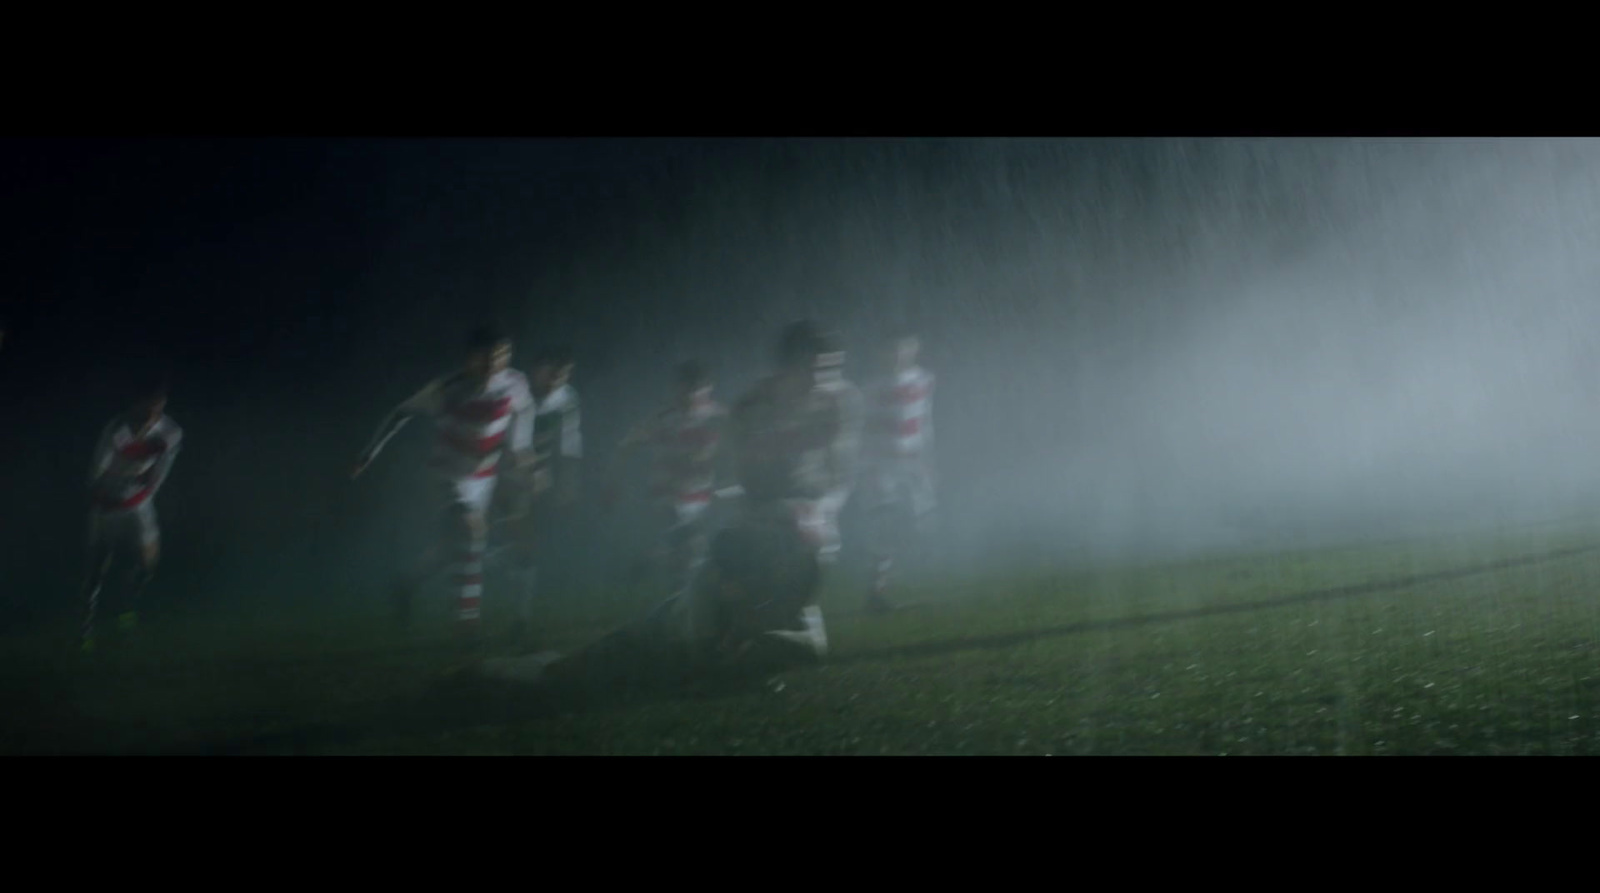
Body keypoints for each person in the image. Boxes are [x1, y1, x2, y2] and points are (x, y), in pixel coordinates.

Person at [352, 322, 535, 640]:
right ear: (470, 358)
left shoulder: (515, 384)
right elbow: (400, 413)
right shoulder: (447, 389)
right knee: (472, 532)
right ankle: (466, 624)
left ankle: (405, 585)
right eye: (486, 356)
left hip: (484, 479)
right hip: (446, 477)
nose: (494, 362)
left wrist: (522, 452)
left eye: (502, 355)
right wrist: (369, 453)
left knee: (455, 548)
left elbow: (525, 411)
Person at [607, 360, 728, 598]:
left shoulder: (720, 417)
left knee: (690, 551)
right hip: (668, 494)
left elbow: (734, 447)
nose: (690, 395)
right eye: (685, 389)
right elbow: (626, 446)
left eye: (696, 389)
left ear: (708, 388)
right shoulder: (663, 419)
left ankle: (652, 562)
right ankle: (678, 597)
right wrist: (612, 481)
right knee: (688, 545)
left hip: (703, 495)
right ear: (677, 389)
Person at [81, 381, 182, 652]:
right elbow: (96, 478)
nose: (152, 414)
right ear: (134, 404)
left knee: (148, 563)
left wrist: (141, 484)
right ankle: (86, 629)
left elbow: (156, 477)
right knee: (98, 567)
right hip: (106, 507)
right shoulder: (116, 431)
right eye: (147, 406)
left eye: (158, 406)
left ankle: (125, 606)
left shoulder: (170, 433)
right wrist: (113, 491)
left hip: (139, 505)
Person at [501, 346, 582, 634]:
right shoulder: (514, 392)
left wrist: (568, 483)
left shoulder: (567, 399)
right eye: (551, 374)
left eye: (562, 376)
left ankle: (520, 619)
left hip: (533, 478)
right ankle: (519, 618)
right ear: (536, 370)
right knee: (522, 546)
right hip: (499, 474)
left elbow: (570, 444)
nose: (555, 382)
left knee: (524, 547)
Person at [859, 334, 936, 612]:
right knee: (885, 526)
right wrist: (864, 465)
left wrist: (928, 456)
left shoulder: (924, 380)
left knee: (919, 523)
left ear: (914, 348)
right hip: (880, 467)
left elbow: (925, 420)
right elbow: (861, 429)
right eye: (890, 348)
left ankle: (888, 576)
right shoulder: (870, 388)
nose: (897, 354)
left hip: (913, 464)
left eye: (904, 346)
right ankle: (876, 592)